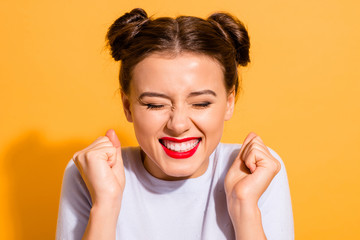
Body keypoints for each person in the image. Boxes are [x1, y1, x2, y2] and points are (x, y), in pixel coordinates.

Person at [56, 8, 294, 240]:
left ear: (229, 102)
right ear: (128, 106)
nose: (178, 125)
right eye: (154, 105)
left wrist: (245, 207)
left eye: (201, 103)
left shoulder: (258, 172)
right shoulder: (90, 173)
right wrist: (105, 205)